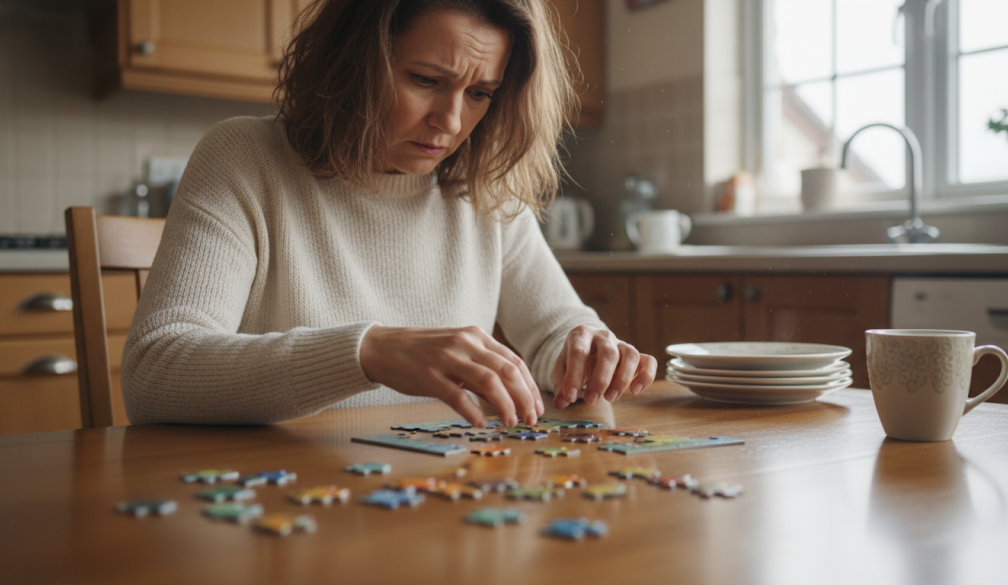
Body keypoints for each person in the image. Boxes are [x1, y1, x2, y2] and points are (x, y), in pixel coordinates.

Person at [120, 0, 657, 429]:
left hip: (441, 509)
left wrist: (584, 351)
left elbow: (554, 329)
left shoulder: (482, 188)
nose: (450, 121)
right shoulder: (243, 157)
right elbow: (156, 371)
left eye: (479, 93)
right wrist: (367, 353)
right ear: (352, 59)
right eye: (426, 79)